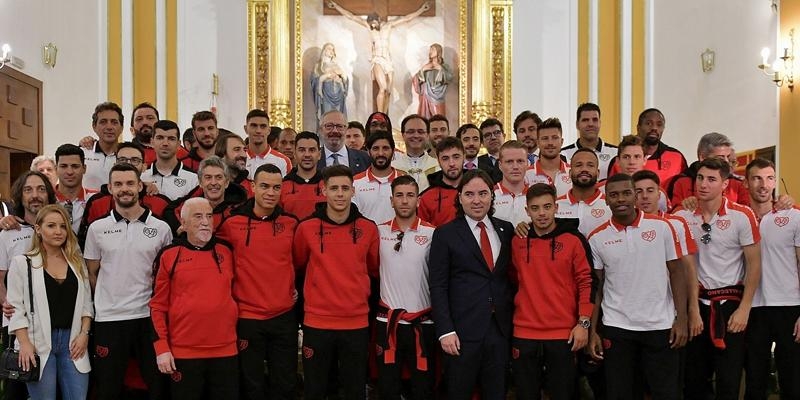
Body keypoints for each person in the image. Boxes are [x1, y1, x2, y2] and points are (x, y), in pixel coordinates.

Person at [587, 173, 688, 399]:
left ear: (635, 195)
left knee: (665, 393)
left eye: (626, 193)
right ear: (606, 200)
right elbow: (597, 287)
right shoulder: (597, 238)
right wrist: (593, 331)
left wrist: (682, 318)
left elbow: (677, 272)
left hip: (660, 326)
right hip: (617, 327)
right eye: (613, 195)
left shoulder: (663, 227)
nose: (620, 199)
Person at [672, 158, 761, 399]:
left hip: (730, 305)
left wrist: (744, 309)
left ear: (724, 184)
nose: (703, 184)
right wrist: (688, 311)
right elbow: (678, 267)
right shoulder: (682, 216)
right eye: (700, 178)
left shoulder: (742, 215)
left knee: (729, 380)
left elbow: (754, 264)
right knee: (693, 380)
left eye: (711, 179)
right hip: (696, 303)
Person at [83, 162, 173, 399]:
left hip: (148, 318)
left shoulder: (161, 228)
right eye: (119, 184)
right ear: (110, 188)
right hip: (109, 319)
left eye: (130, 183)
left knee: (158, 385)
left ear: (140, 186)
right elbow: (91, 273)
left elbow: (167, 276)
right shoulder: (97, 229)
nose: (125, 189)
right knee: (108, 388)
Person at [293, 165, 380, 400]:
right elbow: (299, 266)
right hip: (317, 322)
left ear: (353, 191)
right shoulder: (306, 228)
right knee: (316, 389)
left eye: (344, 188)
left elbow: (373, 270)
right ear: (323, 191)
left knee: (354, 389)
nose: (339, 194)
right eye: (334, 188)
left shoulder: (368, 229)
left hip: (356, 323)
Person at [429, 169, 515, 400]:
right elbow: (438, 286)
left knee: (496, 393)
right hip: (461, 333)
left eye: (482, 193)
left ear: (492, 195)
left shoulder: (506, 230)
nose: (476, 200)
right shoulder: (445, 234)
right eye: (469, 194)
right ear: (459, 197)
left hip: (499, 330)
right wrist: (445, 330)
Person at [216, 164, 300, 400]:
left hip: (283, 316)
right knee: (250, 384)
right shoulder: (232, 224)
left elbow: (301, 260)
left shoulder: (291, 223)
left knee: (285, 383)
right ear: (253, 186)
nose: (270, 192)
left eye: (276, 187)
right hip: (247, 317)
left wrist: (294, 289)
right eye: (264, 186)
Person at [510, 183, 593, 400]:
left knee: (563, 394)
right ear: (527, 211)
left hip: (563, 334)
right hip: (524, 333)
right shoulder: (517, 242)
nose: (542, 213)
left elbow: (586, 282)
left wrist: (583, 324)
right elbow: (510, 281)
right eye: (535, 208)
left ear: (556, 207)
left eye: (547, 207)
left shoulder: (574, 240)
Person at [151, 198, 238, 399]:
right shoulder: (168, 255)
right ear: (184, 223)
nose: (206, 222)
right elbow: (157, 305)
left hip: (225, 351)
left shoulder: (226, 251)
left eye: (209, 216)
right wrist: (161, 347)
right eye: (198, 216)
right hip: (183, 353)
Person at [8, 205, 93, 399]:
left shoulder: (77, 262)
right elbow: (15, 307)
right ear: (38, 229)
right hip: (37, 343)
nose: (58, 231)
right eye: (51, 226)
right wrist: (24, 343)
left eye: (63, 226)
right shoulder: (22, 263)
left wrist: (84, 334)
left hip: (73, 343)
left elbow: (87, 304)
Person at [741, 158, 800, 399]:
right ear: (746, 183)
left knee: (793, 382)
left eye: (769, 178)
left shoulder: (793, 216)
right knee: (754, 382)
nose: (763, 185)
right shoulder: (738, 219)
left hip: (789, 306)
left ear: (775, 181)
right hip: (751, 308)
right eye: (756, 178)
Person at [375, 175, 437, 400]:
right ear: (391, 200)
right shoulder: (378, 232)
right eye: (399, 195)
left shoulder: (432, 234)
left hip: (423, 323)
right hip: (388, 322)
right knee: (388, 387)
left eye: (410, 195)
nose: (404, 201)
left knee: (423, 387)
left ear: (418, 200)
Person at [632, 170, 703, 339]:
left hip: (670, 314)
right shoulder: (624, 227)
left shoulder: (677, 223)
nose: (644, 196)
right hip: (633, 316)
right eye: (638, 191)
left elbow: (690, 270)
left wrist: (692, 310)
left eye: (650, 190)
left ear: (659, 194)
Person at [328, 0, 431, 113]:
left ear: (378, 20)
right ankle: (380, 114)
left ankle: (384, 116)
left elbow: (406, 18)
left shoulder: (388, 26)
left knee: (388, 91)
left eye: (374, 23)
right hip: (377, 59)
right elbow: (351, 17)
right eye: (371, 24)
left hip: (388, 60)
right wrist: (336, 6)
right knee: (383, 88)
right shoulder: (369, 28)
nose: (373, 26)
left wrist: (421, 9)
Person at [78, 142, 172, 249]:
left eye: (135, 160)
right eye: (122, 159)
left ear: (144, 167)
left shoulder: (161, 202)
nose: (129, 164)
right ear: (114, 164)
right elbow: (85, 243)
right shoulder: (96, 202)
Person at [0, 172, 56, 308]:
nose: (35, 195)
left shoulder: (63, 231)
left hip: (57, 317)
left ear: (49, 194)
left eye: (41, 189)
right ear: (20, 196)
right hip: (18, 319)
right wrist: (9, 306)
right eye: (28, 190)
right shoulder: (7, 234)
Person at [163, 156, 248, 234]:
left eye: (218, 177)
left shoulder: (240, 209)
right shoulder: (191, 203)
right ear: (200, 182)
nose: (213, 182)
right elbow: (170, 211)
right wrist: (179, 228)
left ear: (226, 183)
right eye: (208, 177)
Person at [667, 132, 750, 207]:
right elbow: (674, 214)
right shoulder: (682, 183)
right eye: (721, 158)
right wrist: (684, 206)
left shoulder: (738, 185)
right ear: (702, 157)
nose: (727, 162)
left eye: (728, 157)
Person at [555, 149, 610, 236]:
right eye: (578, 165)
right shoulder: (555, 205)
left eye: (590, 165)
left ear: (598, 173)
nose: (584, 169)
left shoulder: (610, 206)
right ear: (569, 173)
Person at [140, 120, 199, 201]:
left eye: (171, 139)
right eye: (160, 138)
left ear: (179, 144)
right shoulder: (141, 177)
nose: (165, 143)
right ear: (152, 142)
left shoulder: (193, 179)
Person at [354, 131, 403, 224]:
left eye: (385, 148)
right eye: (376, 148)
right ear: (368, 151)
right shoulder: (355, 182)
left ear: (393, 151)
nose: (380, 153)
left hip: (398, 237)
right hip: (366, 237)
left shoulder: (405, 182)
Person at [561, 103, 617, 181]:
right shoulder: (563, 155)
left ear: (600, 123)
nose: (590, 124)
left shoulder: (616, 153)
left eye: (595, 120)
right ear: (577, 124)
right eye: (585, 120)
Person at [418, 137, 464, 226]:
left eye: (456, 157)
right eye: (445, 158)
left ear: (464, 157)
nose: (451, 163)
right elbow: (422, 233)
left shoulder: (477, 189)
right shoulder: (426, 197)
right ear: (438, 161)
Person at [280, 131, 326, 220]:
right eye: (302, 150)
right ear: (294, 153)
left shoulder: (329, 185)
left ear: (319, 154)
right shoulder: (282, 185)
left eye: (312, 150)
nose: (307, 155)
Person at [53, 144, 97, 233]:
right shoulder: (45, 198)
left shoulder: (97, 198)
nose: (69, 172)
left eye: (75, 166)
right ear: (56, 168)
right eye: (63, 166)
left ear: (84, 168)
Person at [524, 118, 572, 196]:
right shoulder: (526, 175)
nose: (550, 143)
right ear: (538, 143)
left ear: (562, 142)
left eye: (555, 138)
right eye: (545, 138)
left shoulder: (573, 173)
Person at [83, 102, 124, 191]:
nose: (109, 127)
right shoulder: (82, 153)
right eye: (103, 122)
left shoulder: (127, 157)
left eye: (114, 122)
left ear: (121, 128)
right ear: (94, 126)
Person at [392, 114, 440, 191]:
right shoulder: (393, 167)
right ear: (403, 135)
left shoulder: (438, 166)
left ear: (427, 135)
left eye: (420, 132)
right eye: (411, 132)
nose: (416, 135)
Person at [243, 109, 293, 178]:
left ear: (269, 130)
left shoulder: (283, 161)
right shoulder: (238, 157)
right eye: (254, 126)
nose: (258, 131)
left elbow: (287, 188)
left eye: (263, 126)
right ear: (246, 129)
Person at [492, 140, 530, 225]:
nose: (515, 167)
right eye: (509, 162)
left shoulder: (536, 195)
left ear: (527, 164)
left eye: (520, 161)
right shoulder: (490, 195)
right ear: (500, 166)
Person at [413, 43, 452, 119]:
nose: (430, 51)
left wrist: (440, 69)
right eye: (430, 50)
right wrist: (423, 70)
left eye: (433, 49)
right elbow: (416, 79)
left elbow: (450, 77)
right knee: (425, 119)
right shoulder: (427, 66)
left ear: (438, 52)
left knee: (438, 118)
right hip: (425, 96)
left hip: (438, 97)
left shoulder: (444, 66)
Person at [312, 43, 349, 122]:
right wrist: (326, 76)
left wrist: (343, 75)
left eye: (333, 49)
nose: (331, 51)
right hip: (326, 94)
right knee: (327, 116)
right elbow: (315, 81)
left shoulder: (337, 65)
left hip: (338, 94)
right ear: (324, 51)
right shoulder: (319, 66)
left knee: (338, 117)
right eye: (329, 49)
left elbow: (345, 80)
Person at [215, 132, 254, 197]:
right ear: (222, 155)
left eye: (244, 150)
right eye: (237, 149)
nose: (244, 155)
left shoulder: (253, 189)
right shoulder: (211, 186)